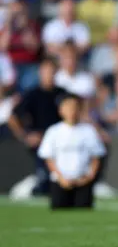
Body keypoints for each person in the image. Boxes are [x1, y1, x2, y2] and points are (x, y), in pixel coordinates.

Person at [37, 93, 106, 209]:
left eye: (74, 107)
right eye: (68, 107)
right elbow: (48, 158)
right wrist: (61, 178)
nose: (71, 111)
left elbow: (96, 156)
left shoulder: (89, 131)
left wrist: (88, 177)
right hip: (61, 182)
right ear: (61, 110)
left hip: (82, 181)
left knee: (83, 209)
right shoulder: (54, 131)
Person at [8, 57, 65, 195]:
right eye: (46, 71)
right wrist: (25, 136)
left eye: (52, 71)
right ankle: (34, 185)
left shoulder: (63, 94)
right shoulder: (33, 94)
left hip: (62, 143)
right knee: (45, 183)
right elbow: (12, 117)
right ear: (40, 72)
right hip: (42, 143)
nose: (49, 74)